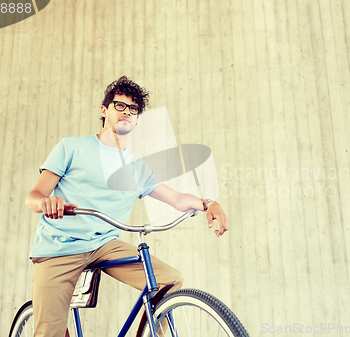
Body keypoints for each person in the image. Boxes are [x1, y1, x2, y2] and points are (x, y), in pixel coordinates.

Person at [25, 76, 228, 337]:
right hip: (60, 246)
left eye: (133, 109)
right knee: (48, 333)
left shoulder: (137, 169)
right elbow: (34, 195)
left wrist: (209, 203)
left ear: (137, 119)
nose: (127, 113)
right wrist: (46, 202)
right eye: (120, 106)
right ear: (104, 110)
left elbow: (177, 199)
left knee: (169, 279)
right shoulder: (72, 147)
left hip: (104, 245)